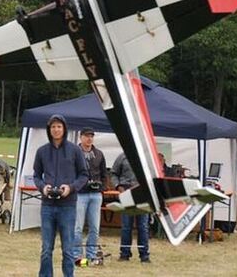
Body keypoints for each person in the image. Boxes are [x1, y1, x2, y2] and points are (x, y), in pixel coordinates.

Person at [33, 114, 88, 277]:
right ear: (49, 130)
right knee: (46, 249)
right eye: (53, 127)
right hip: (48, 206)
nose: (56, 130)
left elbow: (84, 175)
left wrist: (70, 188)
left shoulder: (75, 150)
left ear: (64, 129)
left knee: (68, 249)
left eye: (59, 126)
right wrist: (43, 187)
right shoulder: (42, 151)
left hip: (67, 206)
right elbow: (36, 175)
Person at [73, 127, 107, 266]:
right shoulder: (74, 153)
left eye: (91, 136)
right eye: (87, 136)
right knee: (77, 227)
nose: (89, 138)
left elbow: (104, 174)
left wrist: (101, 187)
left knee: (94, 227)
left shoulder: (98, 154)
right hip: (80, 194)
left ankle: (91, 255)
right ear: (81, 137)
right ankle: (76, 255)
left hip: (95, 195)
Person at [111, 152, 151, 263]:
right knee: (126, 226)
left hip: (143, 193)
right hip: (126, 192)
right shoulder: (122, 156)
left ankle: (144, 255)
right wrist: (118, 186)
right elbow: (114, 173)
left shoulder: (147, 157)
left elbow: (154, 175)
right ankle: (124, 254)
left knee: (143, 226)